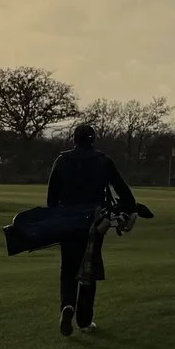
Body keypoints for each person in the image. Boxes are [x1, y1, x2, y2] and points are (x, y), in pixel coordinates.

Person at [44, 121, 138, 336]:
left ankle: (67, 305)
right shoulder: (104, 161)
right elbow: (122, 188)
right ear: (93, 140)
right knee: (89, 267)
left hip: (68, 221)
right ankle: (85, 320)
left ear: (74, 140)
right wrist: (131, 209)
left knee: (68, 267)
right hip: (95, 221)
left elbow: (51, 199)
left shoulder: (62, 160)